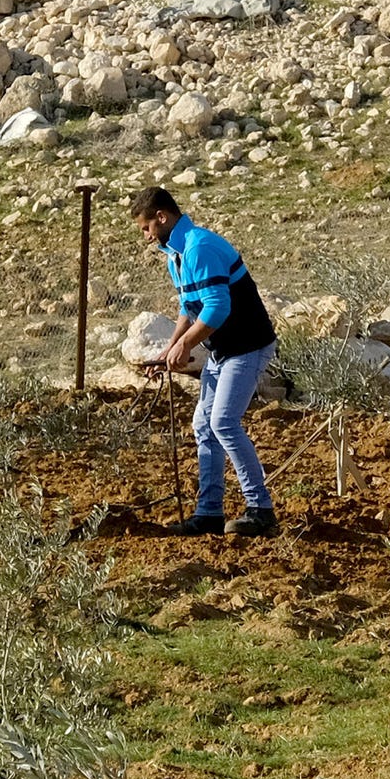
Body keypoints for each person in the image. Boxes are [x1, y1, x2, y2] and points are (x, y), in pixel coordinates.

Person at [131, 186, 279, 537]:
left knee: (223, 422)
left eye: (147, 228)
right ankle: (209, 512)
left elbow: (218, 307)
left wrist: (185, 346)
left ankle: (261, 510)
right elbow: (189, 307)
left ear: (162, 218)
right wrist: (170, 350)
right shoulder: (176, 254)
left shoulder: (200, 248)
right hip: (223, 350)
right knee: (204, 425)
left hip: (247, 346)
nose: (148, 237)